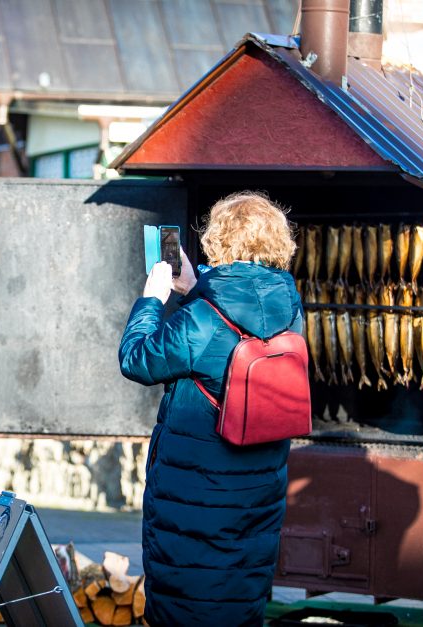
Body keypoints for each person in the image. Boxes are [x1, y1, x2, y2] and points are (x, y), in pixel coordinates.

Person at [118, 192, 302, 626]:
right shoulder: (291, 306)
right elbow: (240, 309)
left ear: (219, 240)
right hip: (256, 499)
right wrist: (195, 285)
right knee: (237, 603)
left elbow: (136, 359)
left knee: (189, 606)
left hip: (196, 500)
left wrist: (153, 298)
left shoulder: (199, 319)